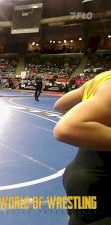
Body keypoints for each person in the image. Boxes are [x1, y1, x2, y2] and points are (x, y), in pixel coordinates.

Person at [53, 71, 111, 225]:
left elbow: (61, 105)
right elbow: (66, 128)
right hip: (99, 182)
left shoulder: (103, 77)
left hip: (83, 172)